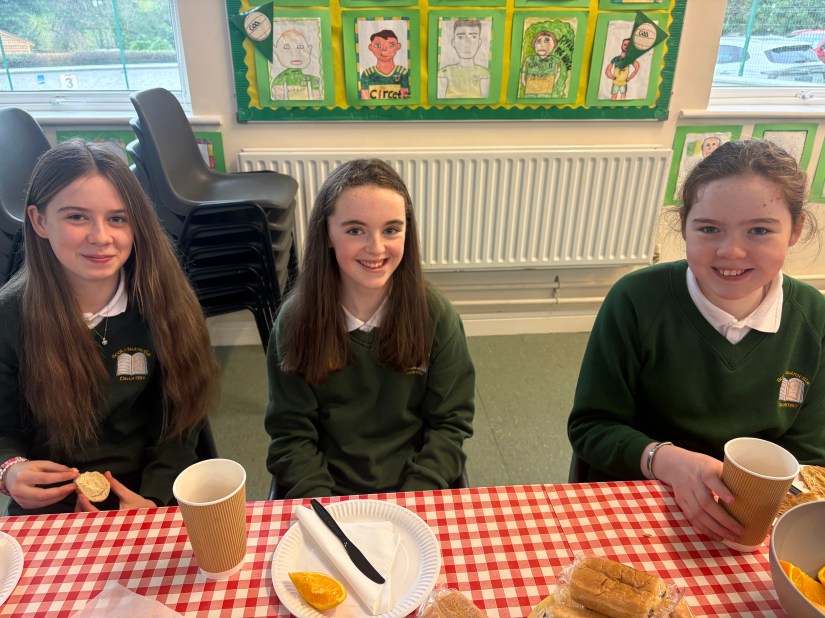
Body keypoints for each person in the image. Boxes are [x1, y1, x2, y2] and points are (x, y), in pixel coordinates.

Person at [568, 139, 825, 543]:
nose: (731, 252)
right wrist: (666, 460)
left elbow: (809, 456)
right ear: (684, 225)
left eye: (759, 230)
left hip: (751, 517)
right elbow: (592, 427)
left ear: (795, 230)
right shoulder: (636, 299)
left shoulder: (814, 317)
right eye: (708, 229)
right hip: (640, 499)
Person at [0, 139, 219, 516]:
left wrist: (154, 498)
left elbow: (180, 423)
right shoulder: (10, 315)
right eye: (76, 217)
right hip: (51, 504)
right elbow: (4, 430)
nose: (100, 237)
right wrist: (9, 470)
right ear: (39, 221)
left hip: (147, 493)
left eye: (117, 218)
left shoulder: (167, 304)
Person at [265, 158, 475, 498]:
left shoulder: (437, 316)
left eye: (391, 230)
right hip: (328, 496)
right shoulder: (294, 321)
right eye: (355, 230)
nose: (376, 248)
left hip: (414, 491)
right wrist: (328, 510)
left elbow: (450, 425)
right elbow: (291, 436)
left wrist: (412, 498)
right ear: (327, 234)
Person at [438, 19, 490, 99]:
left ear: (479, 42)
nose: (467, 44)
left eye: (473, 37)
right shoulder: (444, 72)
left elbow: (485, 99)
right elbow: (440, 96)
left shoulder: (484, 73)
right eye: (460, 37)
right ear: (453, 42)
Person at [271, 29, 321, 101]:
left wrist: (316, 92)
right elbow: (278, 90)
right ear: (276, 51)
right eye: (286, 47)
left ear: (309, 49)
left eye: (300, 47)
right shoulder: (283, 76)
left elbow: (316, 91)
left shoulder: (311, 76)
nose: (295, 53)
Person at [360, 29, 410, 100]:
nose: (384, 49)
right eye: (377, 46)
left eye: (391, 45)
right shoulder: (367, 74)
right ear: (370, 47)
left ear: (398, 46)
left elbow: (405, 99)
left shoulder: (402, 72)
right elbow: (365, 100)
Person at [520, 30, 565, 98]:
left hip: (546, 91)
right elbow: (523, 73)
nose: (542, 45)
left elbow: (558, 72)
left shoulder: (555, 60)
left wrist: (552, 83)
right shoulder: (529, 59)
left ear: (554, 45)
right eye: (538, 42)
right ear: (534, 44)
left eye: (547, 41)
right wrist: (525, 83)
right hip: (530, 90)